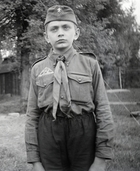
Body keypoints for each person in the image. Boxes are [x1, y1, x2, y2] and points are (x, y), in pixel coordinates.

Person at [25, 5, 114, 171]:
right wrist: (34, 160)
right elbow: (32, 115)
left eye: (66, 27)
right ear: (46, 36)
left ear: (77, 33)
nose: (60, 33)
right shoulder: (38, 69)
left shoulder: (90, 65)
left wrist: (101, 157)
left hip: (83, 133)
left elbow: (103, 109)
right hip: (49, 134)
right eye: (54, 29)